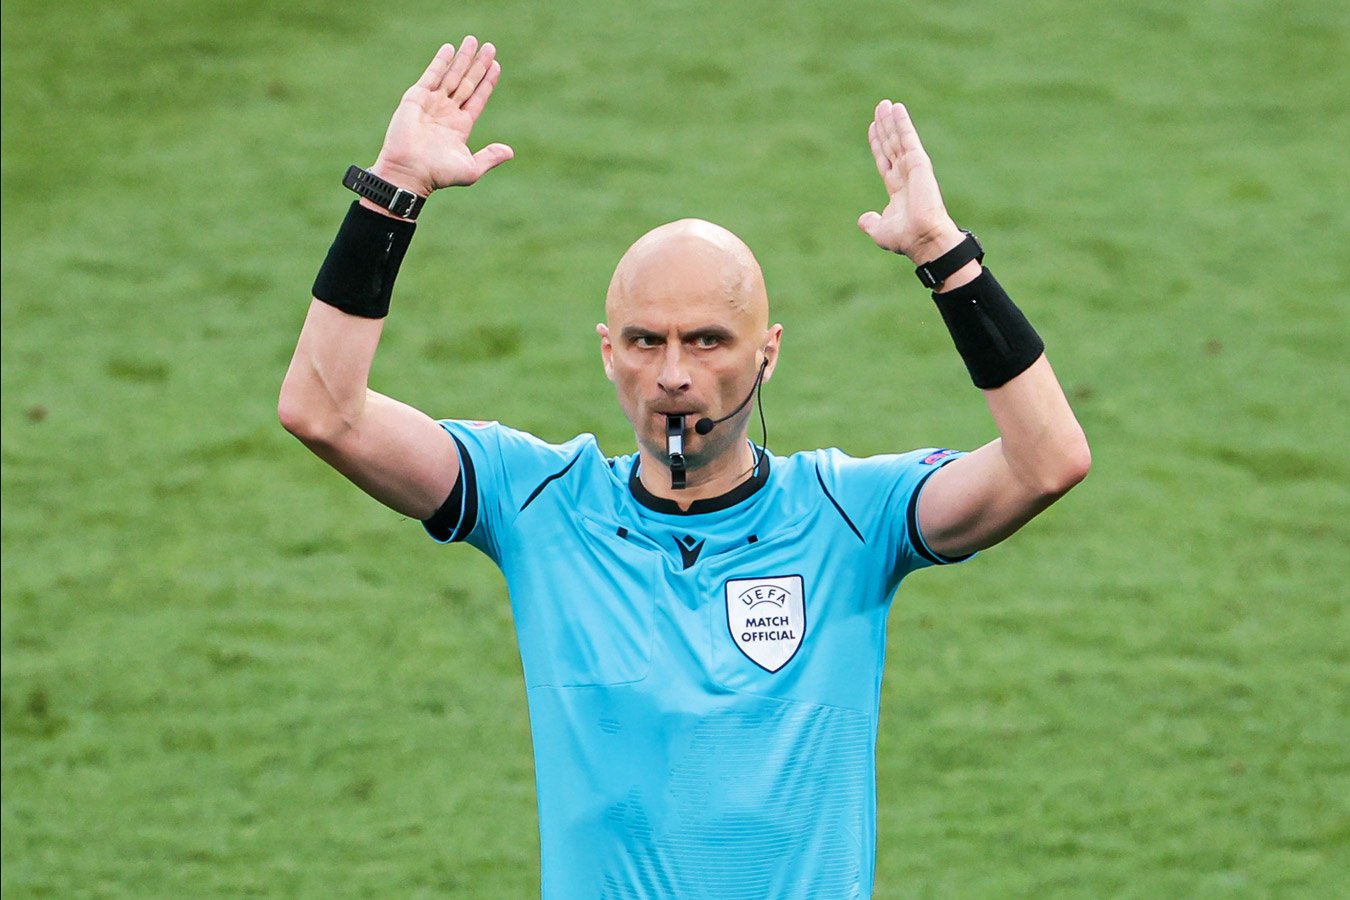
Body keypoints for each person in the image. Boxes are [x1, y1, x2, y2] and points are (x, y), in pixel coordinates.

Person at [279, 36, 1090, 899]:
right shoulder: (536, 502)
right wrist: (393, 187)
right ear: (608, 353)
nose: (672, 375)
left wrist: (943, 254)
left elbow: (1048, 460)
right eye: (646, 341)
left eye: (707, 341)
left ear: (767, 353)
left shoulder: (854, 517)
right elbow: (325, 411)